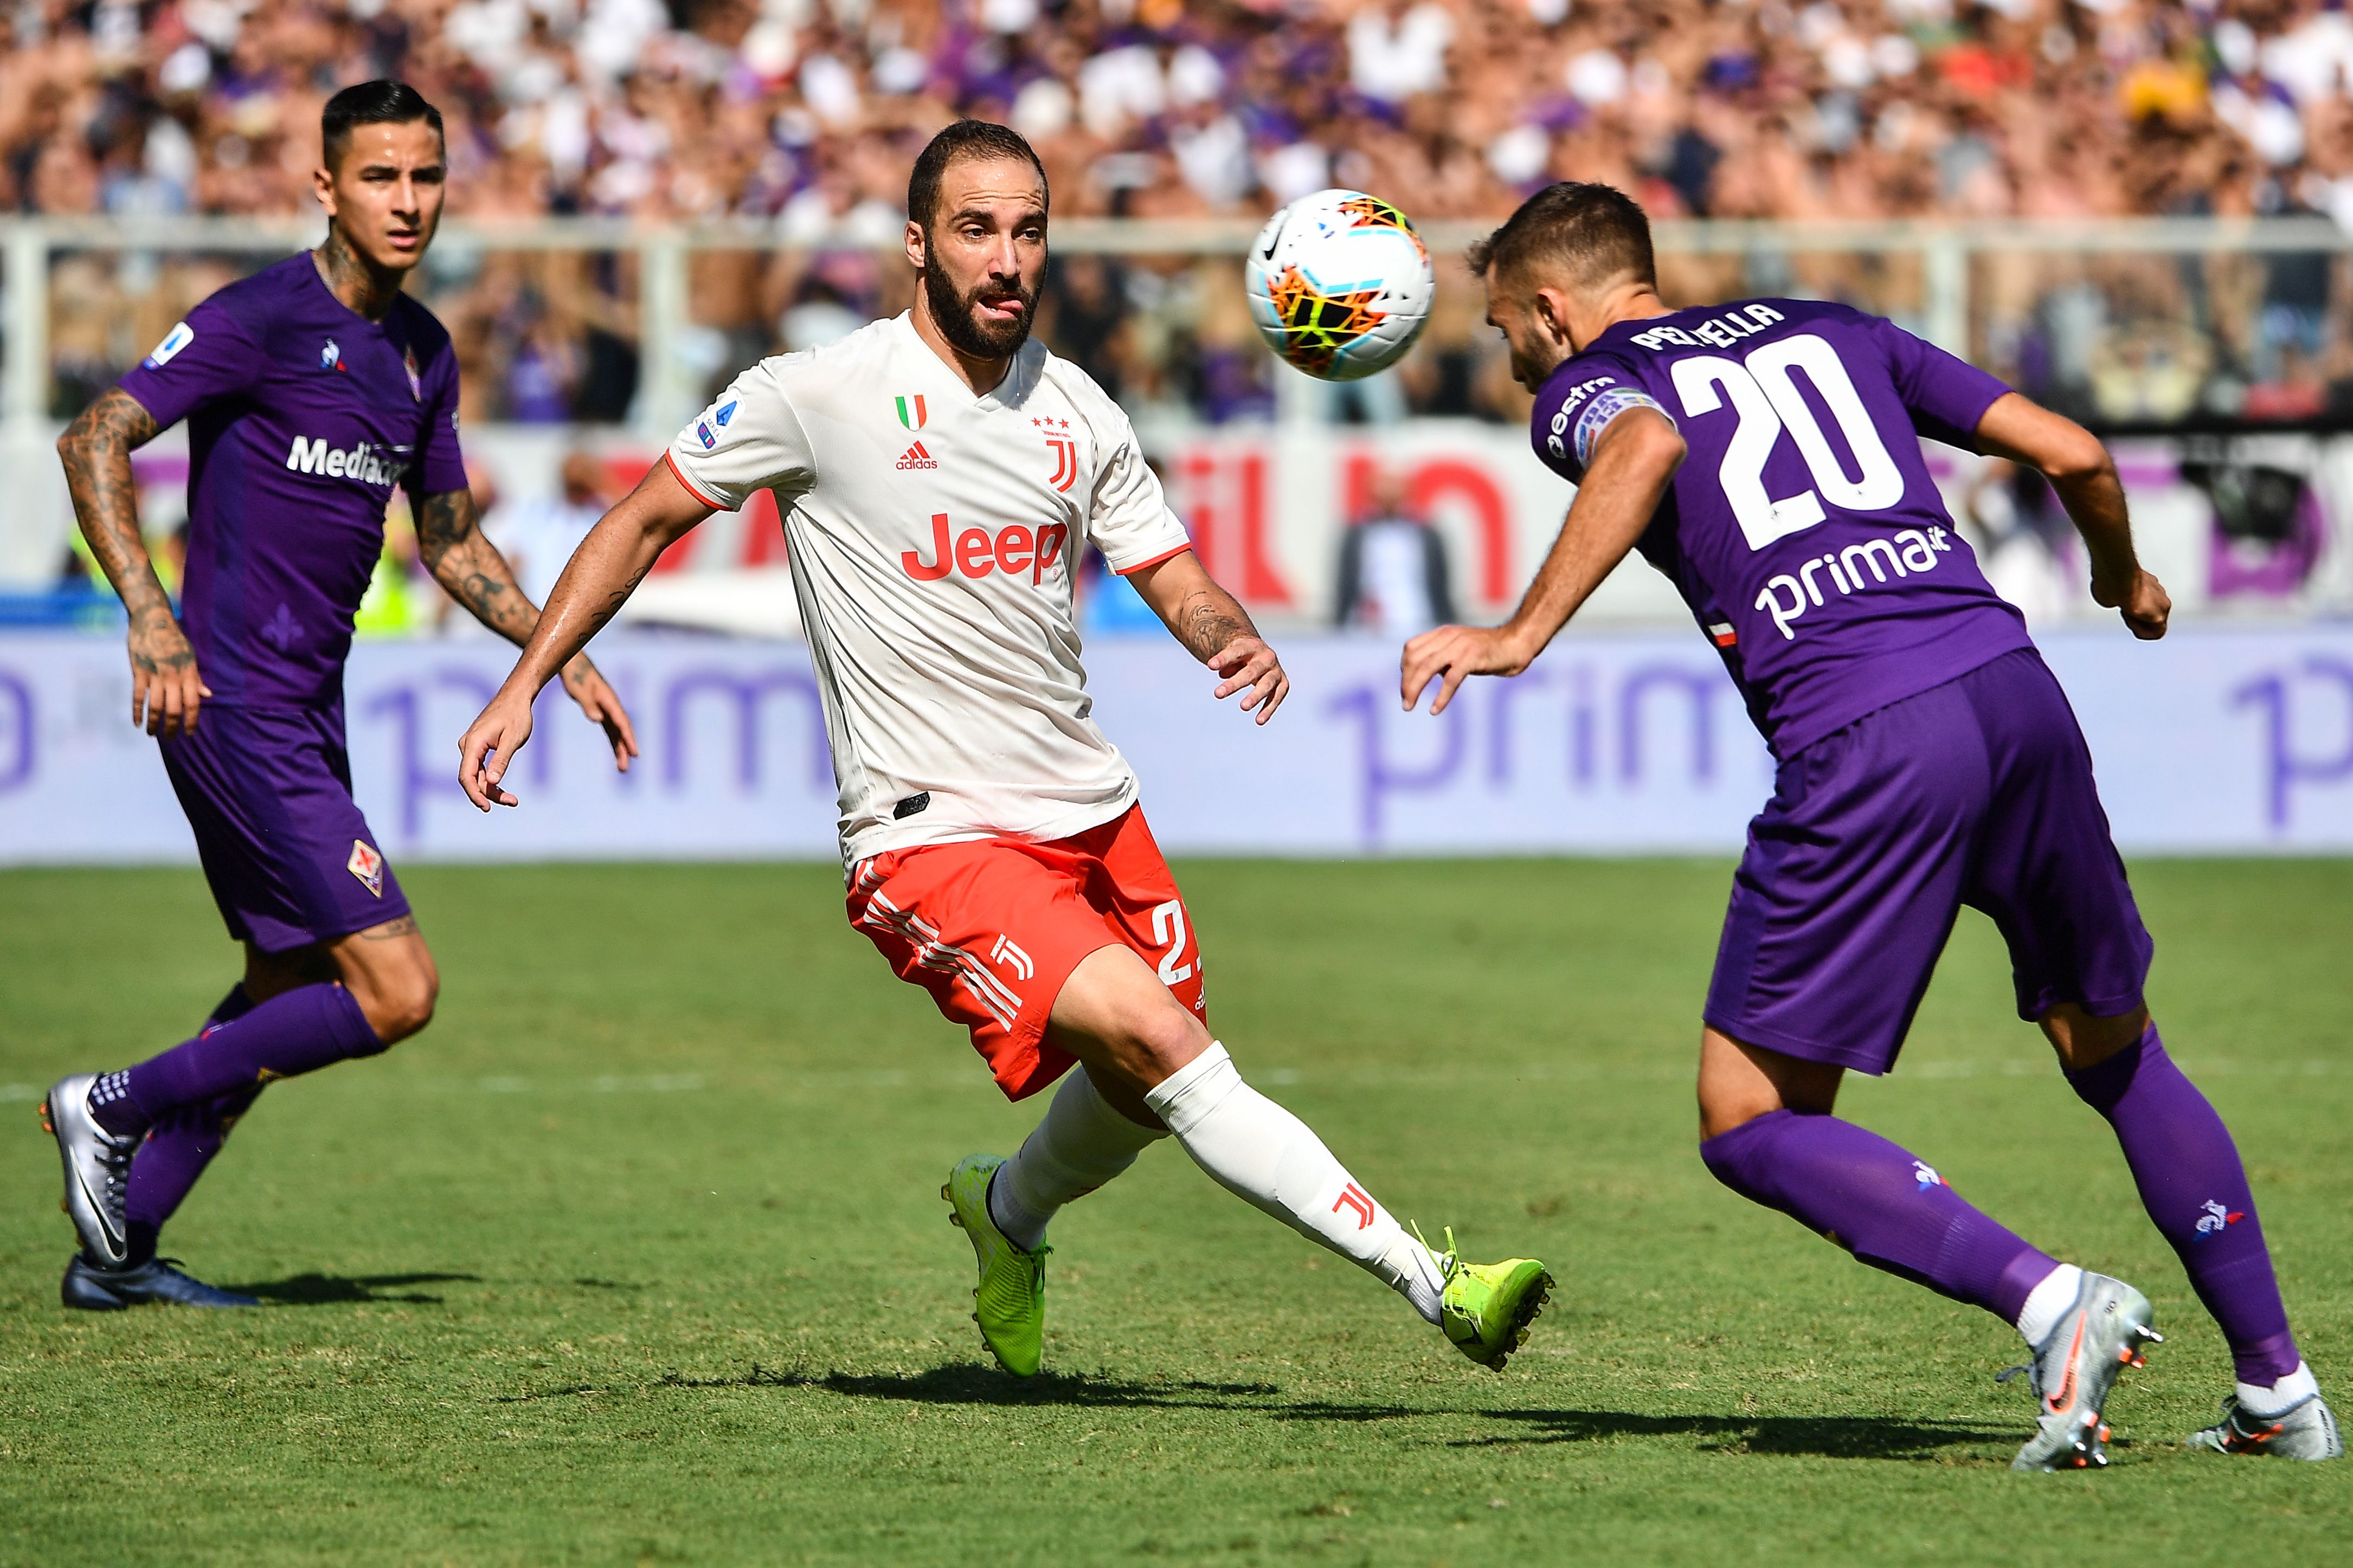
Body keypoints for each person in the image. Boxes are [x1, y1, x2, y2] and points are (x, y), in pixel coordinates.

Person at [455, 120, 1553, 1378]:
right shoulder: (816, 394)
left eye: (1028, 230)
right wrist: (526, 679)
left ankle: (1007, 1211)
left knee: (1144, 1083)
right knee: (1167, 1047)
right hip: (931, 833)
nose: (1007, 257)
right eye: (976, 229)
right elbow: (642, 518)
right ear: (918, 246)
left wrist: (1227, 634)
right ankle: (1437, 1285)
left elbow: (1170, 570)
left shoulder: (1076, 407)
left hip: (1092, 809)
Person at [1402, 182, 2338, 1468]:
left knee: (1750, 1117)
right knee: (2117, 1049)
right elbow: (2074, 452)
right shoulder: (1832, 325)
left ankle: (2050, 1303)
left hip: (1869, 733)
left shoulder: (1592, 383)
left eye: (1507, 326)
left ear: (1554, 310)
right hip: (2015, 693)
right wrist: (2122, 578)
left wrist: (1518, 634)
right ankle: (2279, 1387)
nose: (1510, 355)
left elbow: (1646, 447)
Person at [42, 81, 638, 1312]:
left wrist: (559, 654)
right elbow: (94, 436)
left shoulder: (422, 351)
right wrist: (150, 617)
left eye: (425, 176)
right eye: (380, 176)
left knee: (284, 990)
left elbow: (452, 544)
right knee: (397, 990)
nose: (407, 201)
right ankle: (110, 1105)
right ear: (325, 186)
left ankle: (119, 1254)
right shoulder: (260, 316)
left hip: (310, 709)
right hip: (231, 700)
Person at [1333, 471, 1456, 635]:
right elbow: (1346, 582)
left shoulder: (1426, 535)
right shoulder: (1357, 535)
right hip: (1367, 626)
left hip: (1418, 621)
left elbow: (1440, 583)